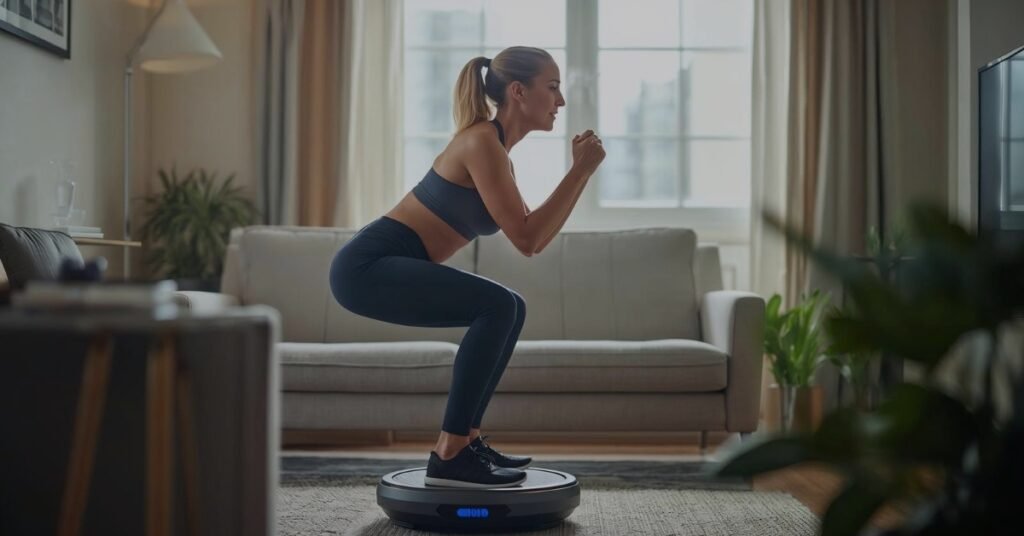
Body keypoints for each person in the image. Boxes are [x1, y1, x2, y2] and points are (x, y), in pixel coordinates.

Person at [329, 46, 606, 489]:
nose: (561, 101)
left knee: (510, 305)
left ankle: (466, 443)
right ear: (518, 91)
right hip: (366, 267)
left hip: (384, 264)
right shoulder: (480, 142)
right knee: (496, 305)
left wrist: (582, 174)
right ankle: (451, 450)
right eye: (552, 88)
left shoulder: (496, 151)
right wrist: (580, 172)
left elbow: (535, 234)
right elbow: (528, 239)